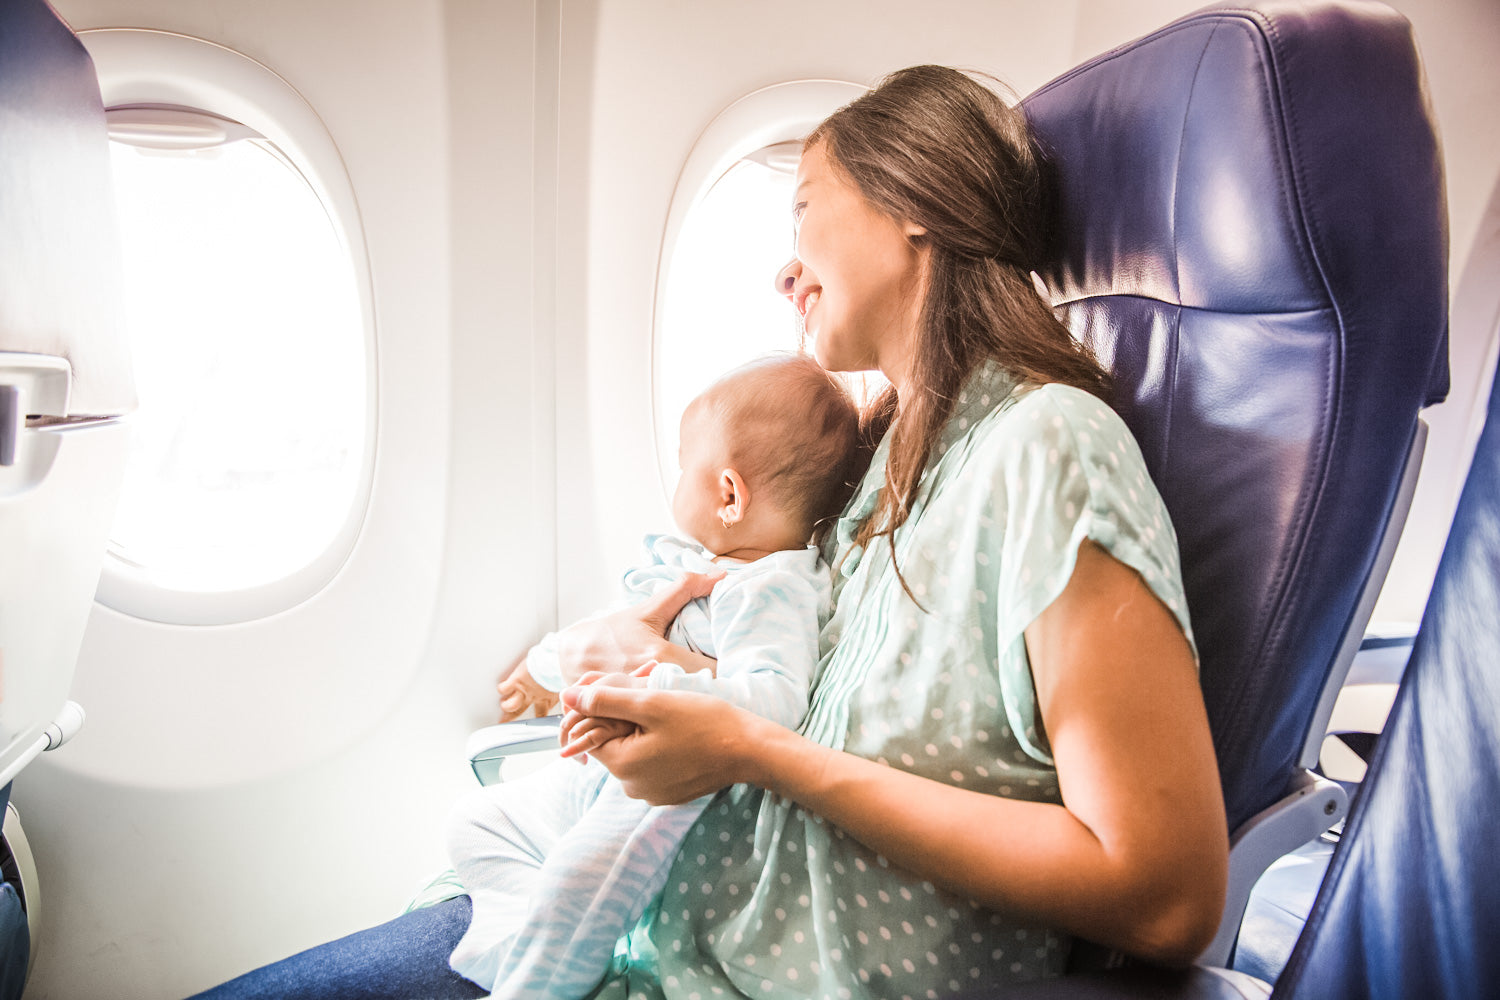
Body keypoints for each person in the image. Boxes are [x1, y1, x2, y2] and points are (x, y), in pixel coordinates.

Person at [190, 64, 1227, 1000]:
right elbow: (782, 676)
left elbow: (1164, 893)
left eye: (806, 212)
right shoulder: (877, 469)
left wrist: (752, 753)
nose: (785, 272)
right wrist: (657, 665)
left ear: (913, 206)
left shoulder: (1048, 448)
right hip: (656, 939)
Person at [444, 353, 863, 998]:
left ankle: (540, 977)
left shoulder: (772, 589)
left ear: (728, 493)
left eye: (682, 466)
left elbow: (774, 702)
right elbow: (617, 629)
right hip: (600, 771)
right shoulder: (696, 563)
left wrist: (668, 680)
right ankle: (527, 942)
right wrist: (541, 669)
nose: (675, 480)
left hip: (665, 791)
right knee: (475, 822)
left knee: (575, 886)